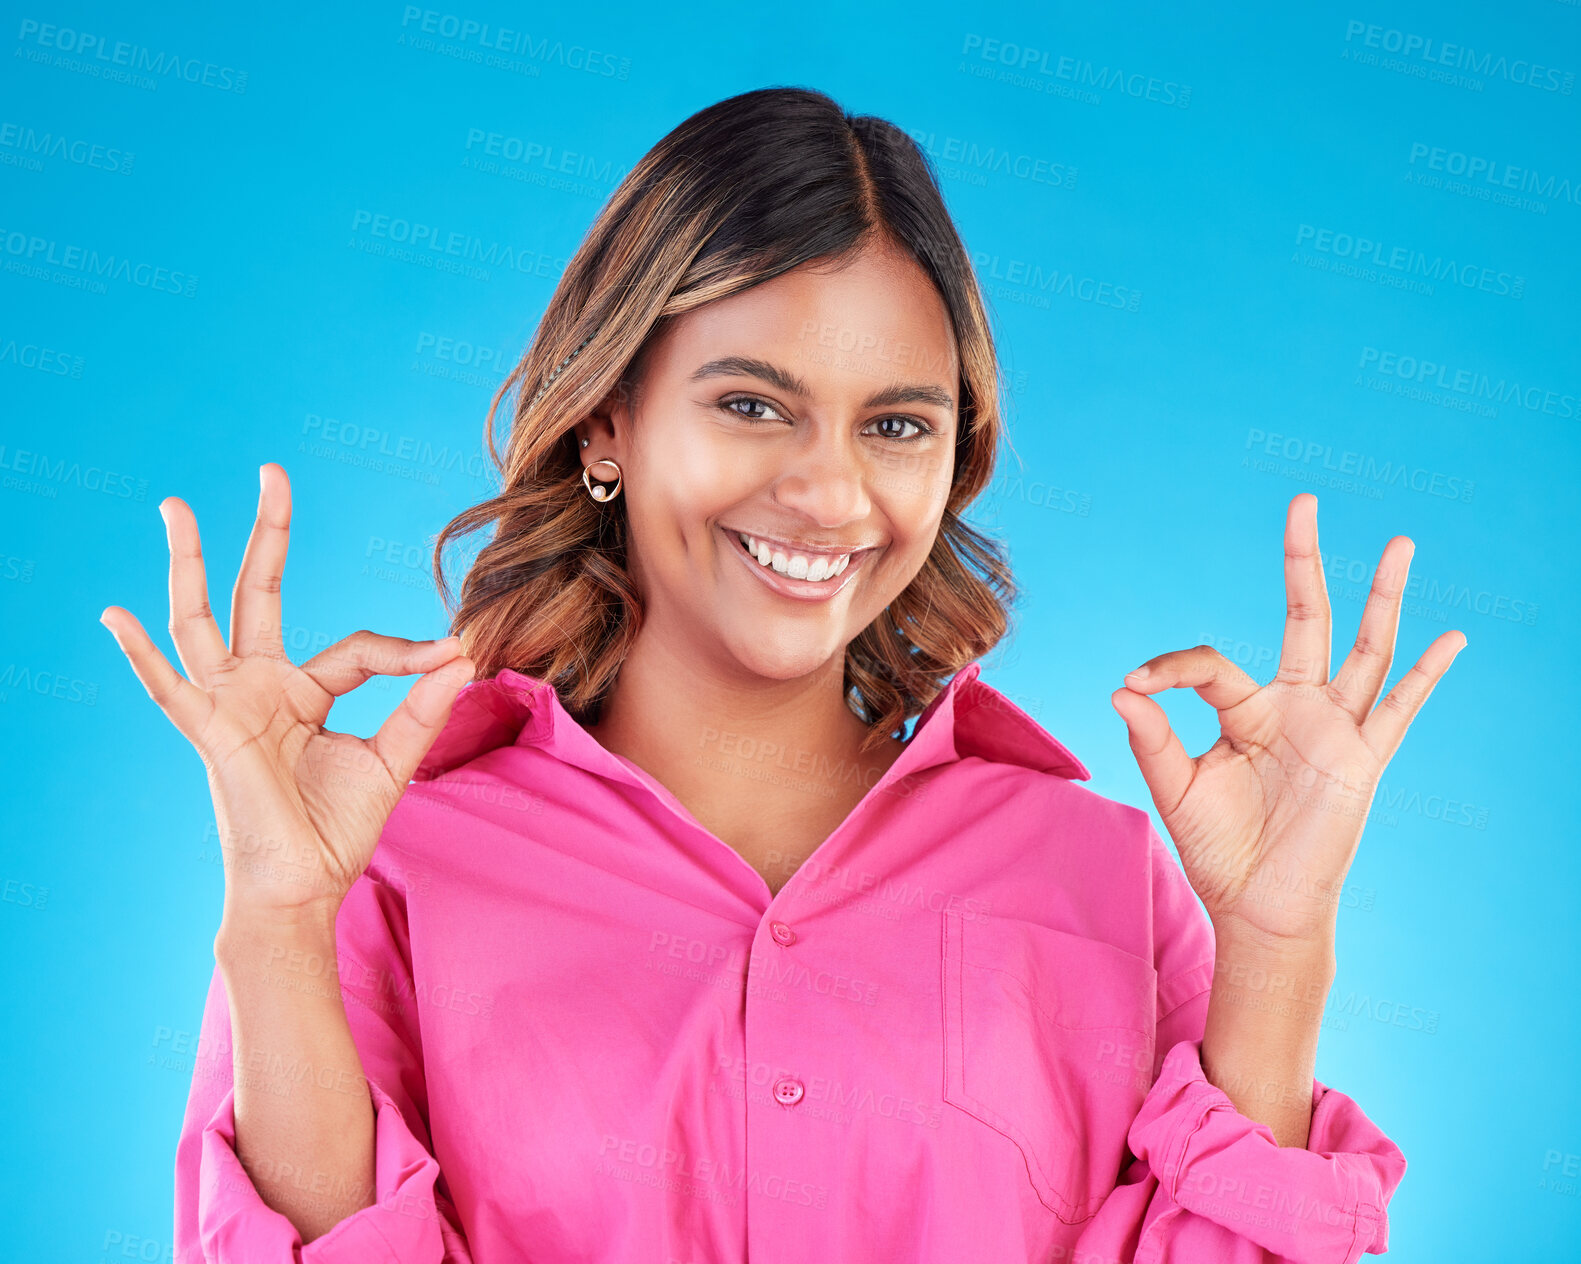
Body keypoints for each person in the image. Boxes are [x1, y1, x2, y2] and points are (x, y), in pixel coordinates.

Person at [102, 87, 1462, 1262]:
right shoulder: (391, 868)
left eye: (895, 424)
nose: (827, 491)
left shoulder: (1093, 877)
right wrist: (276, 926)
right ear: (608, 424)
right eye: (750, 404)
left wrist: (1276, 951)